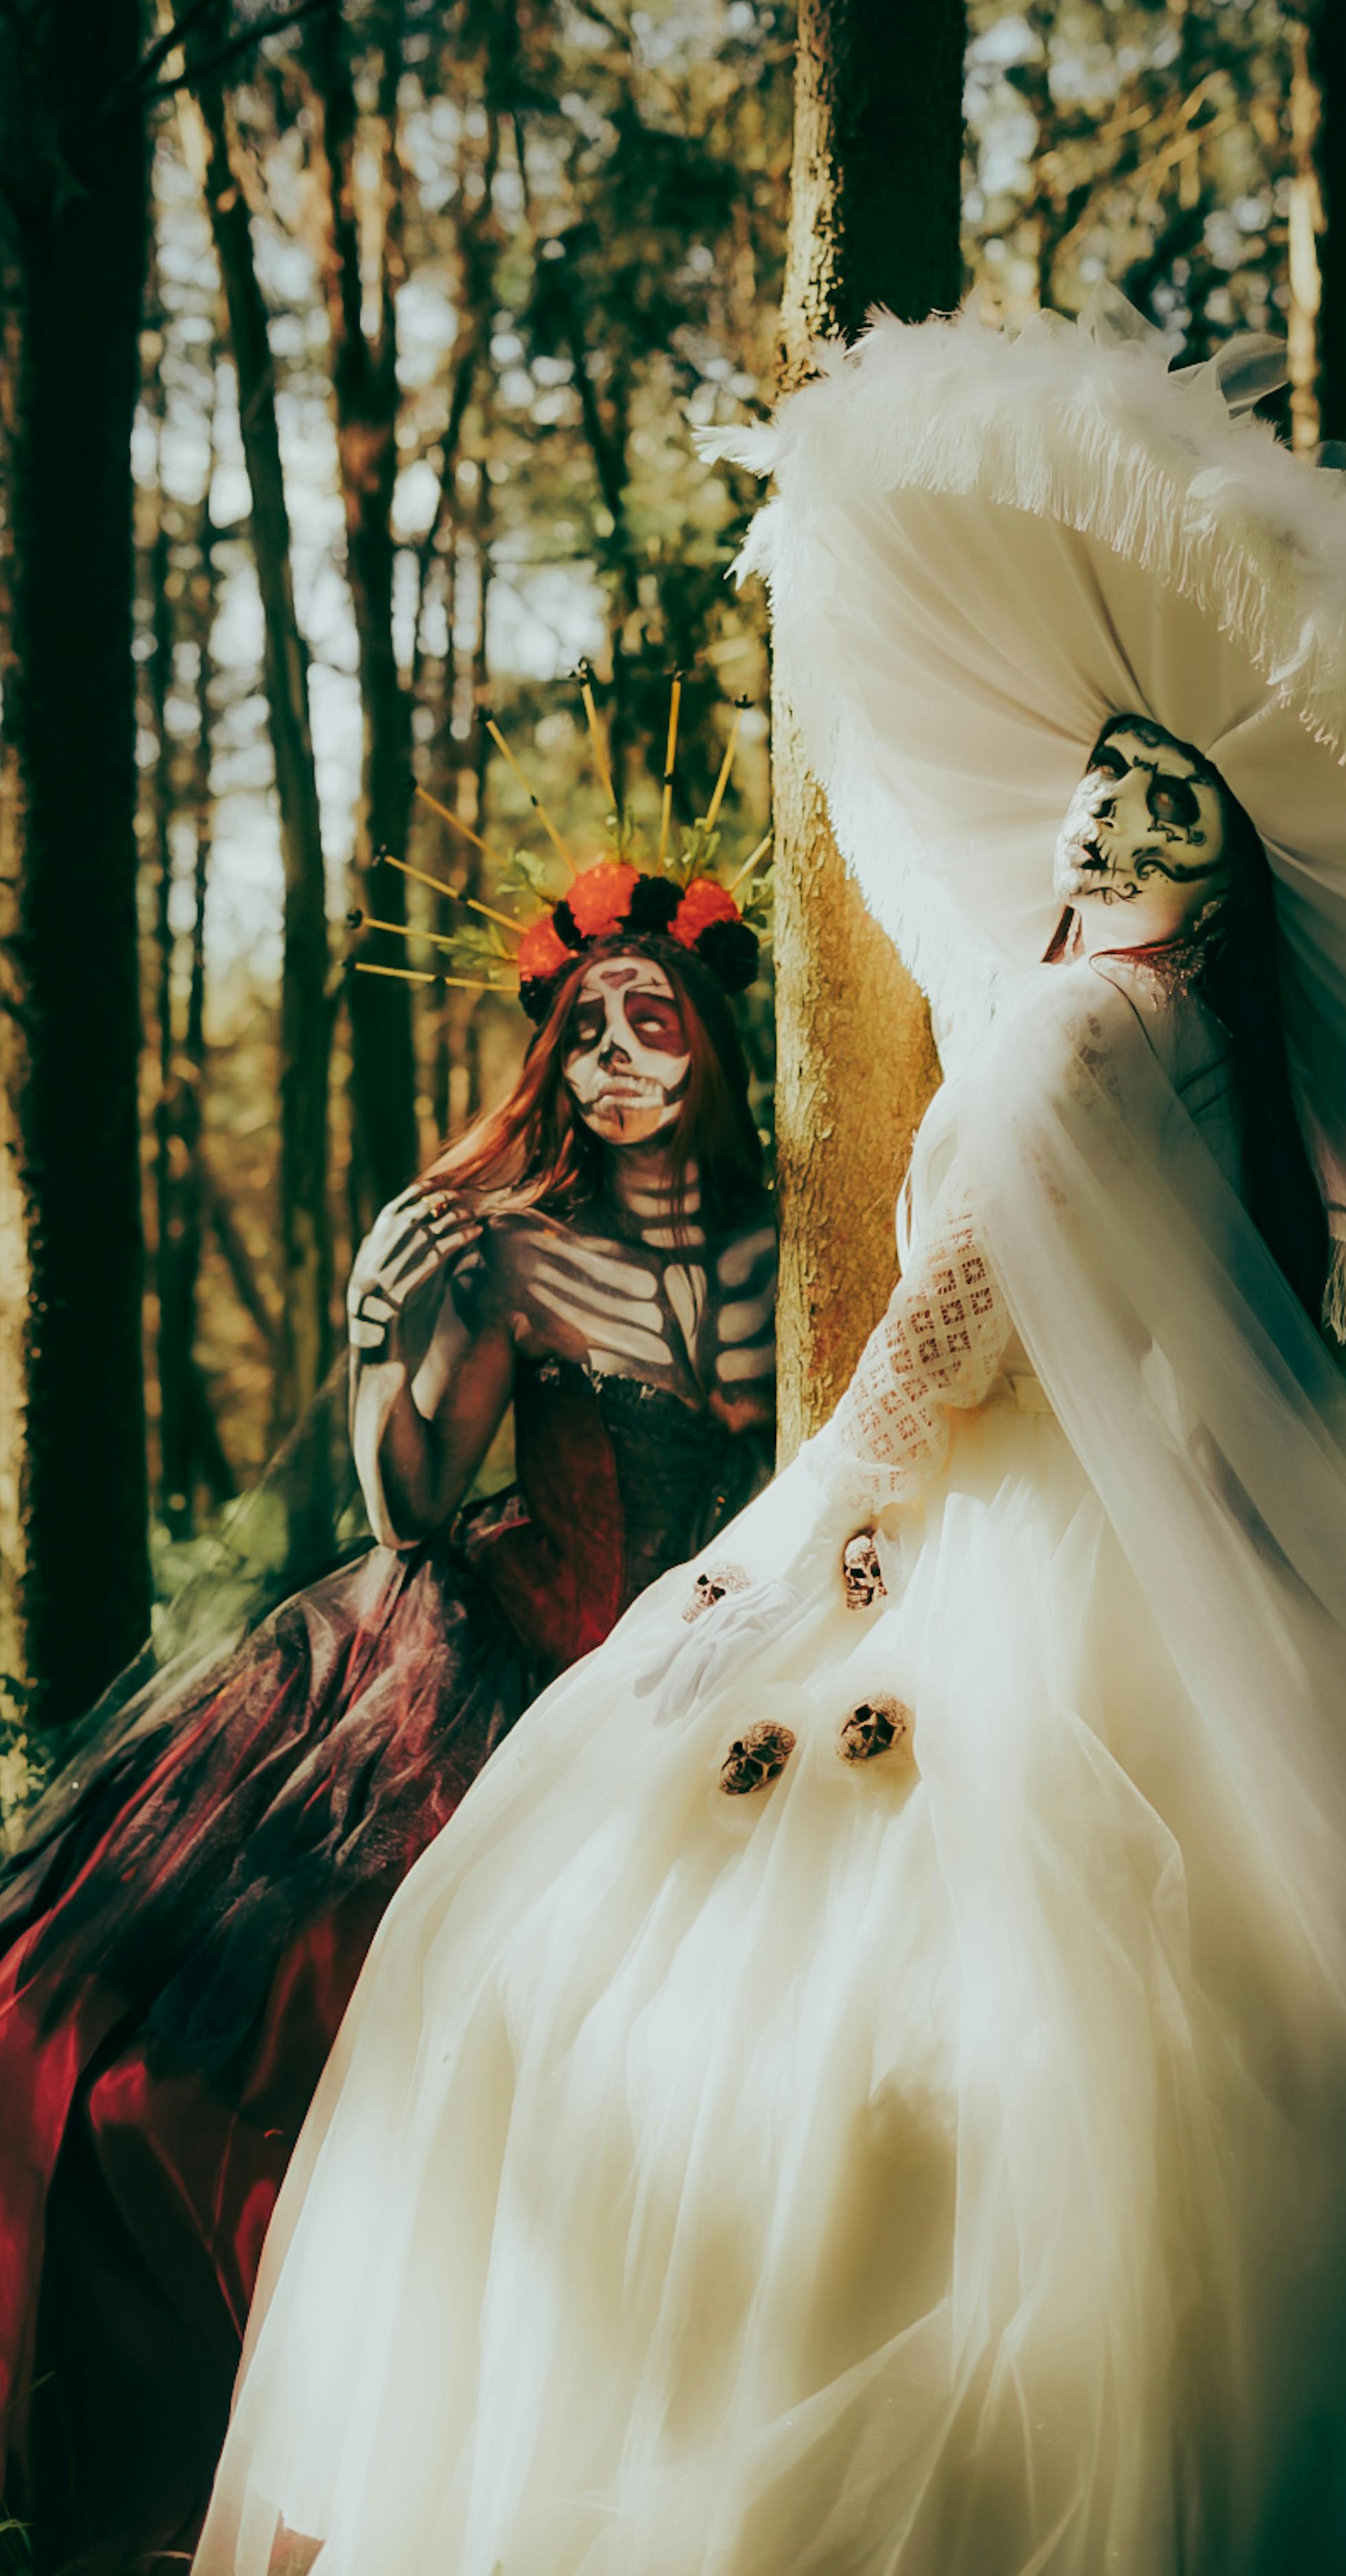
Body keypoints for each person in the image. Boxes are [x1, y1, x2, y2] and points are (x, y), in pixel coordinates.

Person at [196, 301, 1346, 2576]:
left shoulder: (1076, 1039)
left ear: (1188, 856)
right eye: (1097, 791)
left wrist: (787, 1562)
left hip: (971, 1539)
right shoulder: (1201, 1046)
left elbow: (941, 1341)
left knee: (648, 1970)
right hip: (1152, 1538)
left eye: (1141, 802)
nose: (1093, 825)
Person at [0, 860, 775, 2575]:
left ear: (715, 1042)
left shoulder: (788, 1233)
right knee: (252, 2018)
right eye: (585, 1034)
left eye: (654, 1023)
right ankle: (271, 2446)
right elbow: (413, 1498)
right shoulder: (515, 1254)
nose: (618, 1059)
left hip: (711, 1667)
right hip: (479, 1664)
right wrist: (376, 1323)